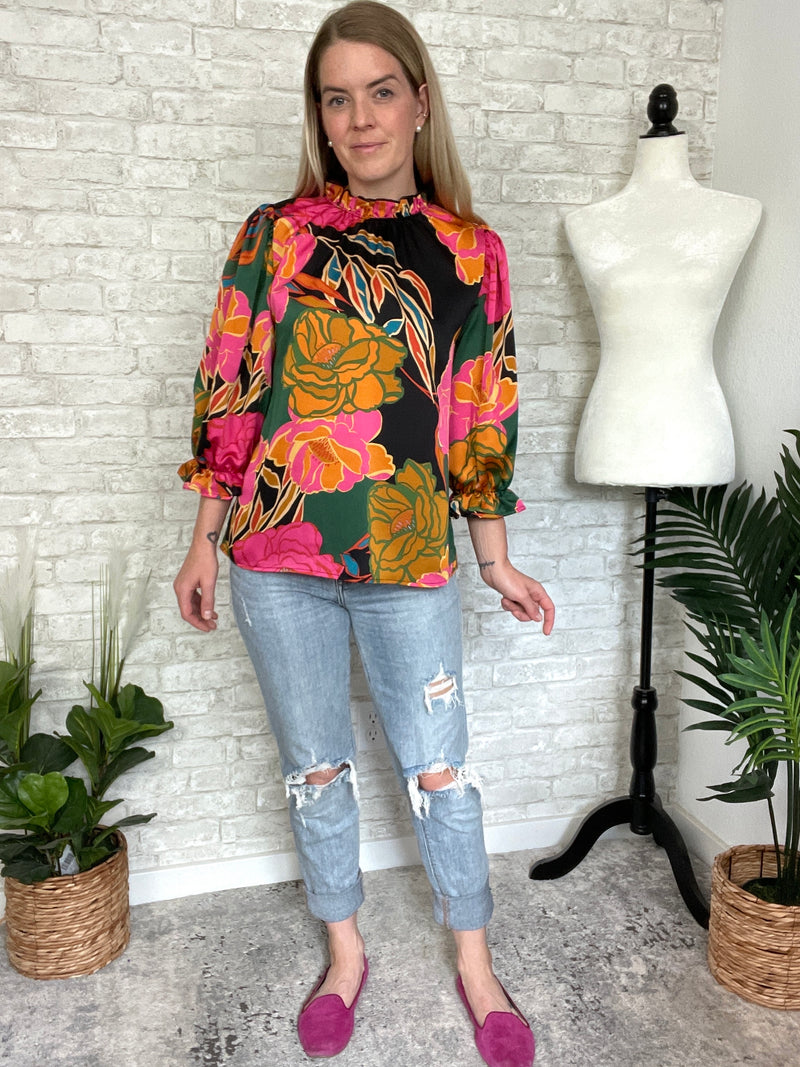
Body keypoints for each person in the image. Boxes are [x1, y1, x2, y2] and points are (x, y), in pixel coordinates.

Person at [174, 3, 554, 1064]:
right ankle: (344, 954)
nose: (360, 118)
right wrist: (203, 537)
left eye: (380, 92)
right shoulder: (275, 235)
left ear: (419, 102)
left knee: (439, 769)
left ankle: (474, 962)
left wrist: (493, 557)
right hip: (274, 554)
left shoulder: (471, 252)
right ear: (320, 116)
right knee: (315, 768)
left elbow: (480, 411)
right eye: (336, 99)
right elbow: (230, 390)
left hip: (410, 552)